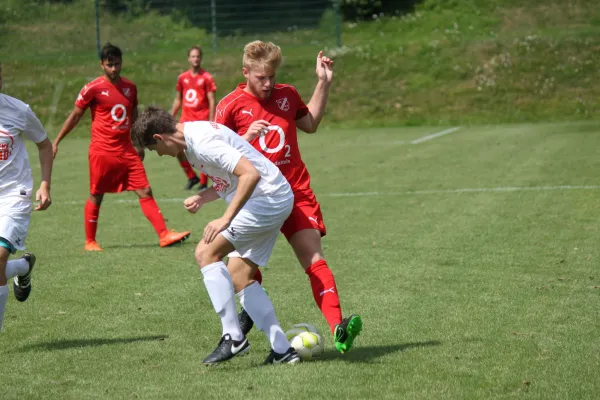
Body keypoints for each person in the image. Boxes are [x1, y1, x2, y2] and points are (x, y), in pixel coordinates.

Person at [215, 40, 362, 353]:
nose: (268, 84)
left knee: (314, 259)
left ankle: (338, 327)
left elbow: (310, 124)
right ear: (245, 72)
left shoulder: (288, 94)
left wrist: (323, 82)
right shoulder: (229, 106)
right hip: (255, 200)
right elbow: (218, 157)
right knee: (240, 272)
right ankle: (247, 318)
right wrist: (246, 137)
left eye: (271, 76)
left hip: (295, 192)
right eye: (260, 78)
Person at [132, 106, 300, 365]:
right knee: (239, 276)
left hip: (266, 200)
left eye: (156, 150)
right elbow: (228, 180)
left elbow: (250, 174)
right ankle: (283, 351)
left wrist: (225, 218)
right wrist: (202, 197)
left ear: (159, 137)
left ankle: (234, 337)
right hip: (274, 197)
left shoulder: (202, 143)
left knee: (205, 252)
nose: (161, 155)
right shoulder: (191, 142)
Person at [52, 43, 190, 251]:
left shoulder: (130, 88)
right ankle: (90, 242)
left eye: (117, 64)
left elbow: (134, 117)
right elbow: (75, 116)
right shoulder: (93, 88)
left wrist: (138, 143)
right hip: (102, 151)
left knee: (144, 189)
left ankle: (164, 234)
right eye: (110, 65)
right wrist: (56, 141)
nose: (114, 69)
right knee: (97, 194)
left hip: (127, 150)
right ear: (101, 65)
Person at [0, 62, 53, 331]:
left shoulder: (18, 111)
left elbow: (44, 144)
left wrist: (45, 184)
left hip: (13, 194)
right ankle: (22, 266)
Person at [171, 46, 216, 191]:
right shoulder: (182, 78)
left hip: (201, 121)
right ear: (188, 59)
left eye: (197, 56)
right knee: (176, 148)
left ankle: (203, 182)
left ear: (200, 58)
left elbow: (211, 101)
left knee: (200, 152)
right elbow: (178, 99)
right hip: (185, 121)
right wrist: (170, 116)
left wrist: (211, 120)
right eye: (193, 56)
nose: (195, 59)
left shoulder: (206, 78)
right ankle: (191, 176)